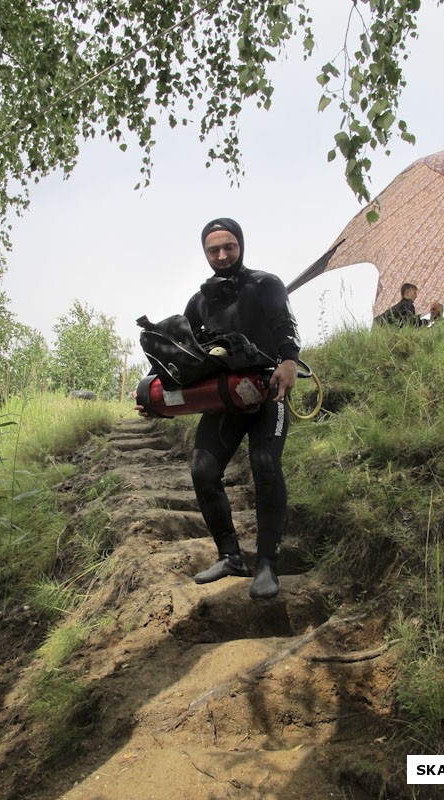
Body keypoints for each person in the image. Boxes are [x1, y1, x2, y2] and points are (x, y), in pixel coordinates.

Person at [141, 217, 300, 600]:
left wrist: (290, 361)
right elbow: (182, 354)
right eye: (214, 249)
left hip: (267, 392)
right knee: (203, 470)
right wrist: (151, 391)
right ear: (205, 253)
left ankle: (266, 563)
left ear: (240, 245)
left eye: (229, 246)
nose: (223, 255)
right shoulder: (199, 301)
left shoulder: (265, 284)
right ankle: (230, 556)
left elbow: (285, 326)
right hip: (224, 396)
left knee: (265, 465)